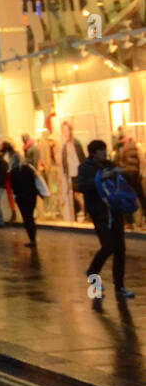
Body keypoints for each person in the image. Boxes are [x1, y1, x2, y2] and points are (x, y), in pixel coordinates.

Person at [77, 140, 135, 303]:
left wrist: (122, 172)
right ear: (93, 153)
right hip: (99, 212)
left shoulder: (109, 164)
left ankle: (120, 287)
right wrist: (100, 178)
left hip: (114, 210)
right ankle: (92, 272)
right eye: (101, 151)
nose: (104, 153)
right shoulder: (85, 168)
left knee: (120, 249)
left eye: (105, 150)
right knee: (108, 246)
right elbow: (81, 186)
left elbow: (125, 179)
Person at [8, 150, 40, 248]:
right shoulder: (29, 169)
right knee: (30, 216)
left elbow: (13, 186)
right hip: (32, 196)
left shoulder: (13, 172)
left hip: (21, 197)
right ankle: (33, 237)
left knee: (26, 218)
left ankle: (32, 239)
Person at [115, 130, 145, 231]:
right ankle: (129, 221)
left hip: (134, 174)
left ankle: (141, 221)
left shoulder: (135, 145)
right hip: (124, 175)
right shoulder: (119, 147)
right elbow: (117, 161)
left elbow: (141, 160)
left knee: (139, 197)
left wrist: (141, 172)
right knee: (126, 197)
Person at [60, 122, 86, 222]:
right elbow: (64, 164)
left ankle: (85, 214)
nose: (67, 133)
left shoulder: (77, 144)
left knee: (82, 195)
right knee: (73, 196)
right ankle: (75, 216)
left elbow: (82, 158)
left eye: (68, 130)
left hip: (80, 174)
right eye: (65, 131)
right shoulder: (64, 148)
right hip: (70, 175)